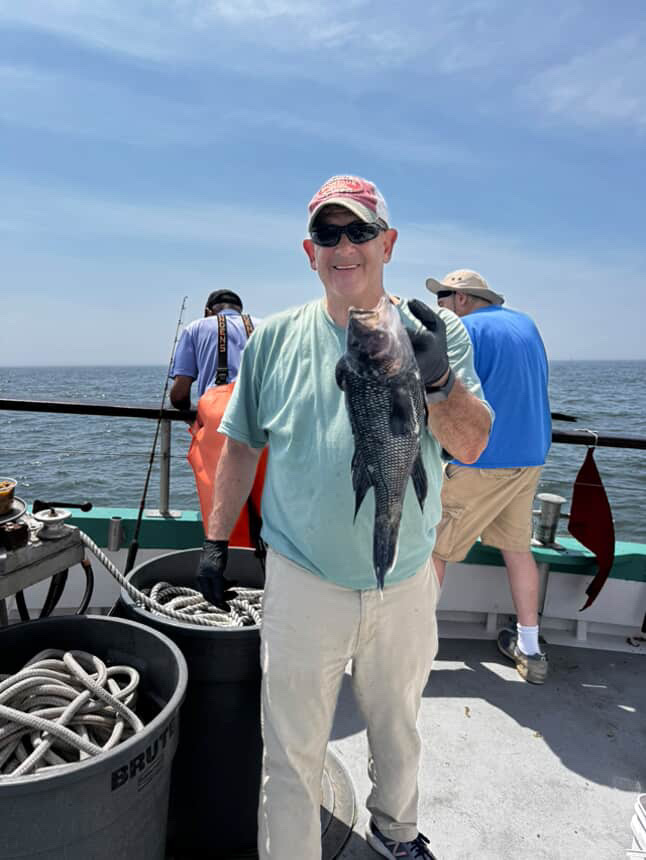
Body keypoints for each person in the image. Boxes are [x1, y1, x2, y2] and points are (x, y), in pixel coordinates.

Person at [197, 176, 492, 859]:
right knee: (291, 752)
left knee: (400, 731)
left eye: (359, 231)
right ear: (310, 252)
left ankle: (396, 832)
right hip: (302, 582)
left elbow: (473, 445)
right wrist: (215, 539)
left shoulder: (433, 329)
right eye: (328, 234)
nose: (344, 246)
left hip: (408, 580)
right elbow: (239, 444)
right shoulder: (271, 338)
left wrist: (441, 382)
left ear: (387, 243)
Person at [426, 269, 551, 685]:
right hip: (530, 457)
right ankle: (530, 648)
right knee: (518, 549)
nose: (440, 304)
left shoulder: (461, 329)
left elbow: (444, 396)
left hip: (483, 460)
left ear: (462, 299)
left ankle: (412, 643)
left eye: (444, 295)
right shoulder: (527, 323)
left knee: (436, 550)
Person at [170, 289, 267, 553]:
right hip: (267, 413)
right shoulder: (266, 327)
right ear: (240, 310)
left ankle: (233, 567)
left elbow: (179, 395)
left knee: (224, 503)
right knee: (270, 506)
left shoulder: (195, 328)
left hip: (219, 416)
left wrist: (195, 416)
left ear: (207, 311)